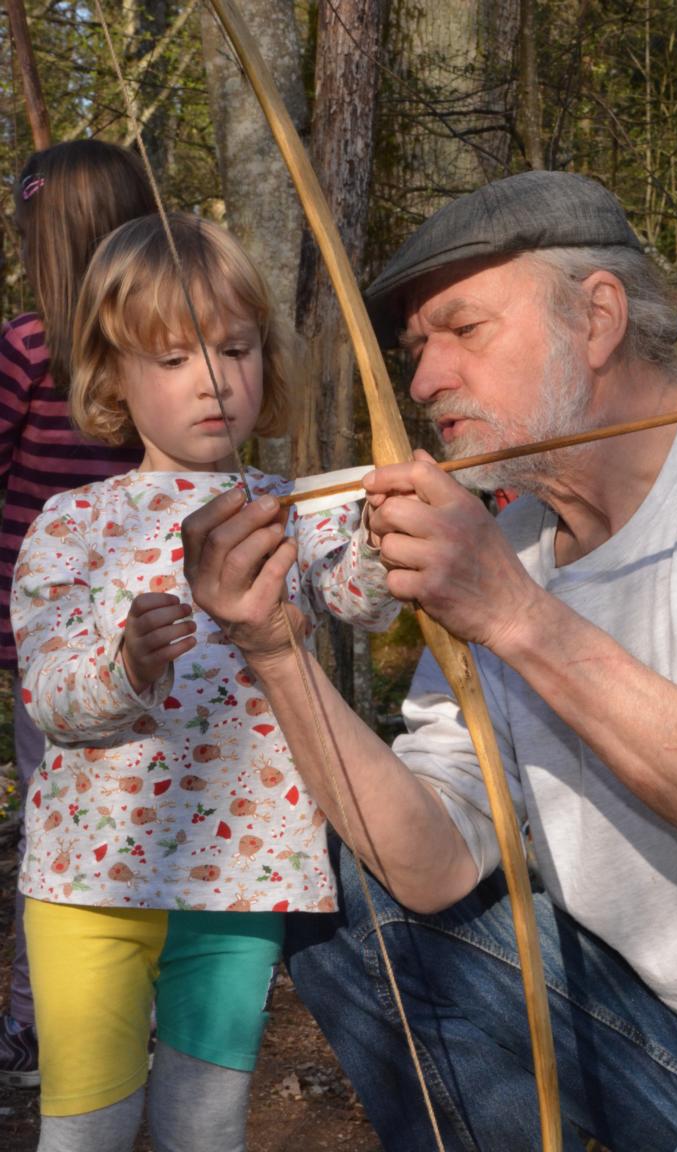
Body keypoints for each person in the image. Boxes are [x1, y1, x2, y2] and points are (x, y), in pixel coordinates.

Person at [180, 170, 677, 1152]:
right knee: (331, 889)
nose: (422, 383)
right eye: (416, 350)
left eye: (463, 329)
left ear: (597, 318)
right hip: (645, 1028)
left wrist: (511, 612)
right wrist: (273, 647)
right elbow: (433, 868)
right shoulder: (513, 542)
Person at [10, 211, 398, 1152]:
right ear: (113, 376)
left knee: (205, 1124)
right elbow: (50, 697)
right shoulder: (72, 521)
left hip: (242, 874)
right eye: (174, 357)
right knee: (88, 1126)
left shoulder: (294, 508)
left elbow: (363, 599)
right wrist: (128, 665)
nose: (214, 380)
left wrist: (387, 527)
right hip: (91, 876)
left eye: (234, 349)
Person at [0, 139, 153, 1088]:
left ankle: (38, 1021)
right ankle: (115, 1007)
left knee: (56, 821)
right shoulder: (157, 345)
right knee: (131, 813)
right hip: (144, 635)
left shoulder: (28, 347)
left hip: (59, 642)